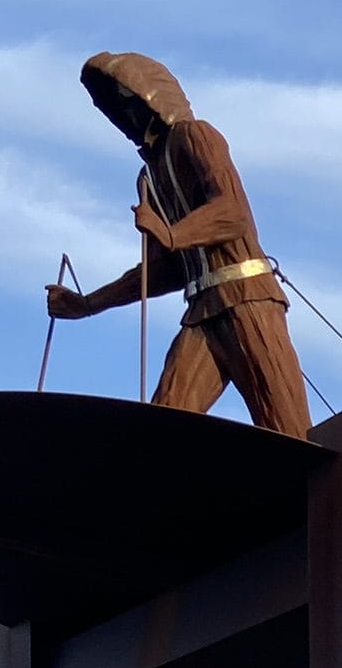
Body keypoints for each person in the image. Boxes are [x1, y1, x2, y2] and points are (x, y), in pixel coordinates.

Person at [45, 51, 311, 438]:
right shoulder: (148, 178)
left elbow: (233, 211)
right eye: (117, 105)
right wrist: (88, 305)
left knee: (291, 433)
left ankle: (326, 500)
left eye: (130, 99)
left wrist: (173, 234)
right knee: (162, 429)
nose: (126, 113)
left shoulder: (196, 135)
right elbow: (163, 270)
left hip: (248, 299)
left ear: (151, 97)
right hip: (202, 314)